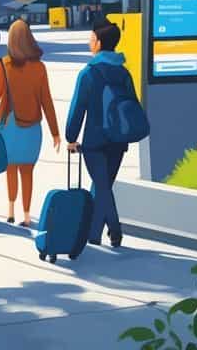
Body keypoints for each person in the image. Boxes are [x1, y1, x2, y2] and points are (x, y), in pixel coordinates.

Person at [0, 20, 61, 226]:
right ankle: (26, 214)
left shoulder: (3, 65)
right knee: (27, 171)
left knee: (11, 169)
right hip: (32, 127)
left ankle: (10, 210)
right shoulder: (40, 68)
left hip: (8, 126)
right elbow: (46, 101)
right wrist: (55, 131)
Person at [66, 20, 133, 248]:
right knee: (103, 185)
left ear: (99, 42)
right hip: (118, 139)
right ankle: (93, 234)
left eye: (91, 38)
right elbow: (132, 103)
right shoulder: (124, 73)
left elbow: (78, 107)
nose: (89, 42)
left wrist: (71, 136)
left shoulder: (89, 73)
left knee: (102, 186)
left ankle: (115, 230)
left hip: (95, 141)